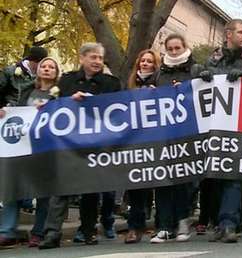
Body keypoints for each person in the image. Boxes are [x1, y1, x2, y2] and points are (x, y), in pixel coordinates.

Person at [39, 43, 123, 249]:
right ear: (82, 58)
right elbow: (53, 103)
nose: (97, 62)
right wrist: (68, 101)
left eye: (100, 58)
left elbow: (119, 110)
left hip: (95, 145)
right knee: (61, 189)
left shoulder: (111, 83)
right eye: (93, 57)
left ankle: (88, 231)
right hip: (68, 144)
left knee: (90, 191)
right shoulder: (66, 81)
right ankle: (52, 234)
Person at [199, 19, 242, 243]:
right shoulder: (213, 60)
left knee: (233, 174)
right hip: (216, 126)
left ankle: (229, 223)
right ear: (228, 34)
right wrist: (201, 74)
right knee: (216, 177)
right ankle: (220, 223)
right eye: (241, 32)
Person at [145, 34, 201, 243]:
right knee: (163, 181)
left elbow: (205, 94)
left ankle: (183, 222)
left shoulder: (195, 69)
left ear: (184, 47)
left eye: (178, 48)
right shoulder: (160, 73)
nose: (175, 52)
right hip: (164, 134)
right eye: (170, 49)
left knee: (184, 182)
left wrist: (186, 92)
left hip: (187, 134)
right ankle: (164, 226)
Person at [0, 57, 60, 249]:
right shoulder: (27, 89)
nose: (47, 69)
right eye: (44, 66)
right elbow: (17, 109)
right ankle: (7, 231)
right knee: (13, 187)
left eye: (52, 67)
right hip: (23, 147)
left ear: (56, 73)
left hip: (46, 149)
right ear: (38, 69)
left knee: (43, 193)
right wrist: (6, 111)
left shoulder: (59, 93)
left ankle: (38, 232)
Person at [124, 49, 160, 244]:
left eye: (149, 61)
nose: (145, 64)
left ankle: (161, 225)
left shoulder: (159, 83)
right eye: (142, 61)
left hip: (155, 140)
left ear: (155, 65)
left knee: (157, 185)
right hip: (134, 141)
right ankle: (134, 227)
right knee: (136, 185)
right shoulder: (129, 85)